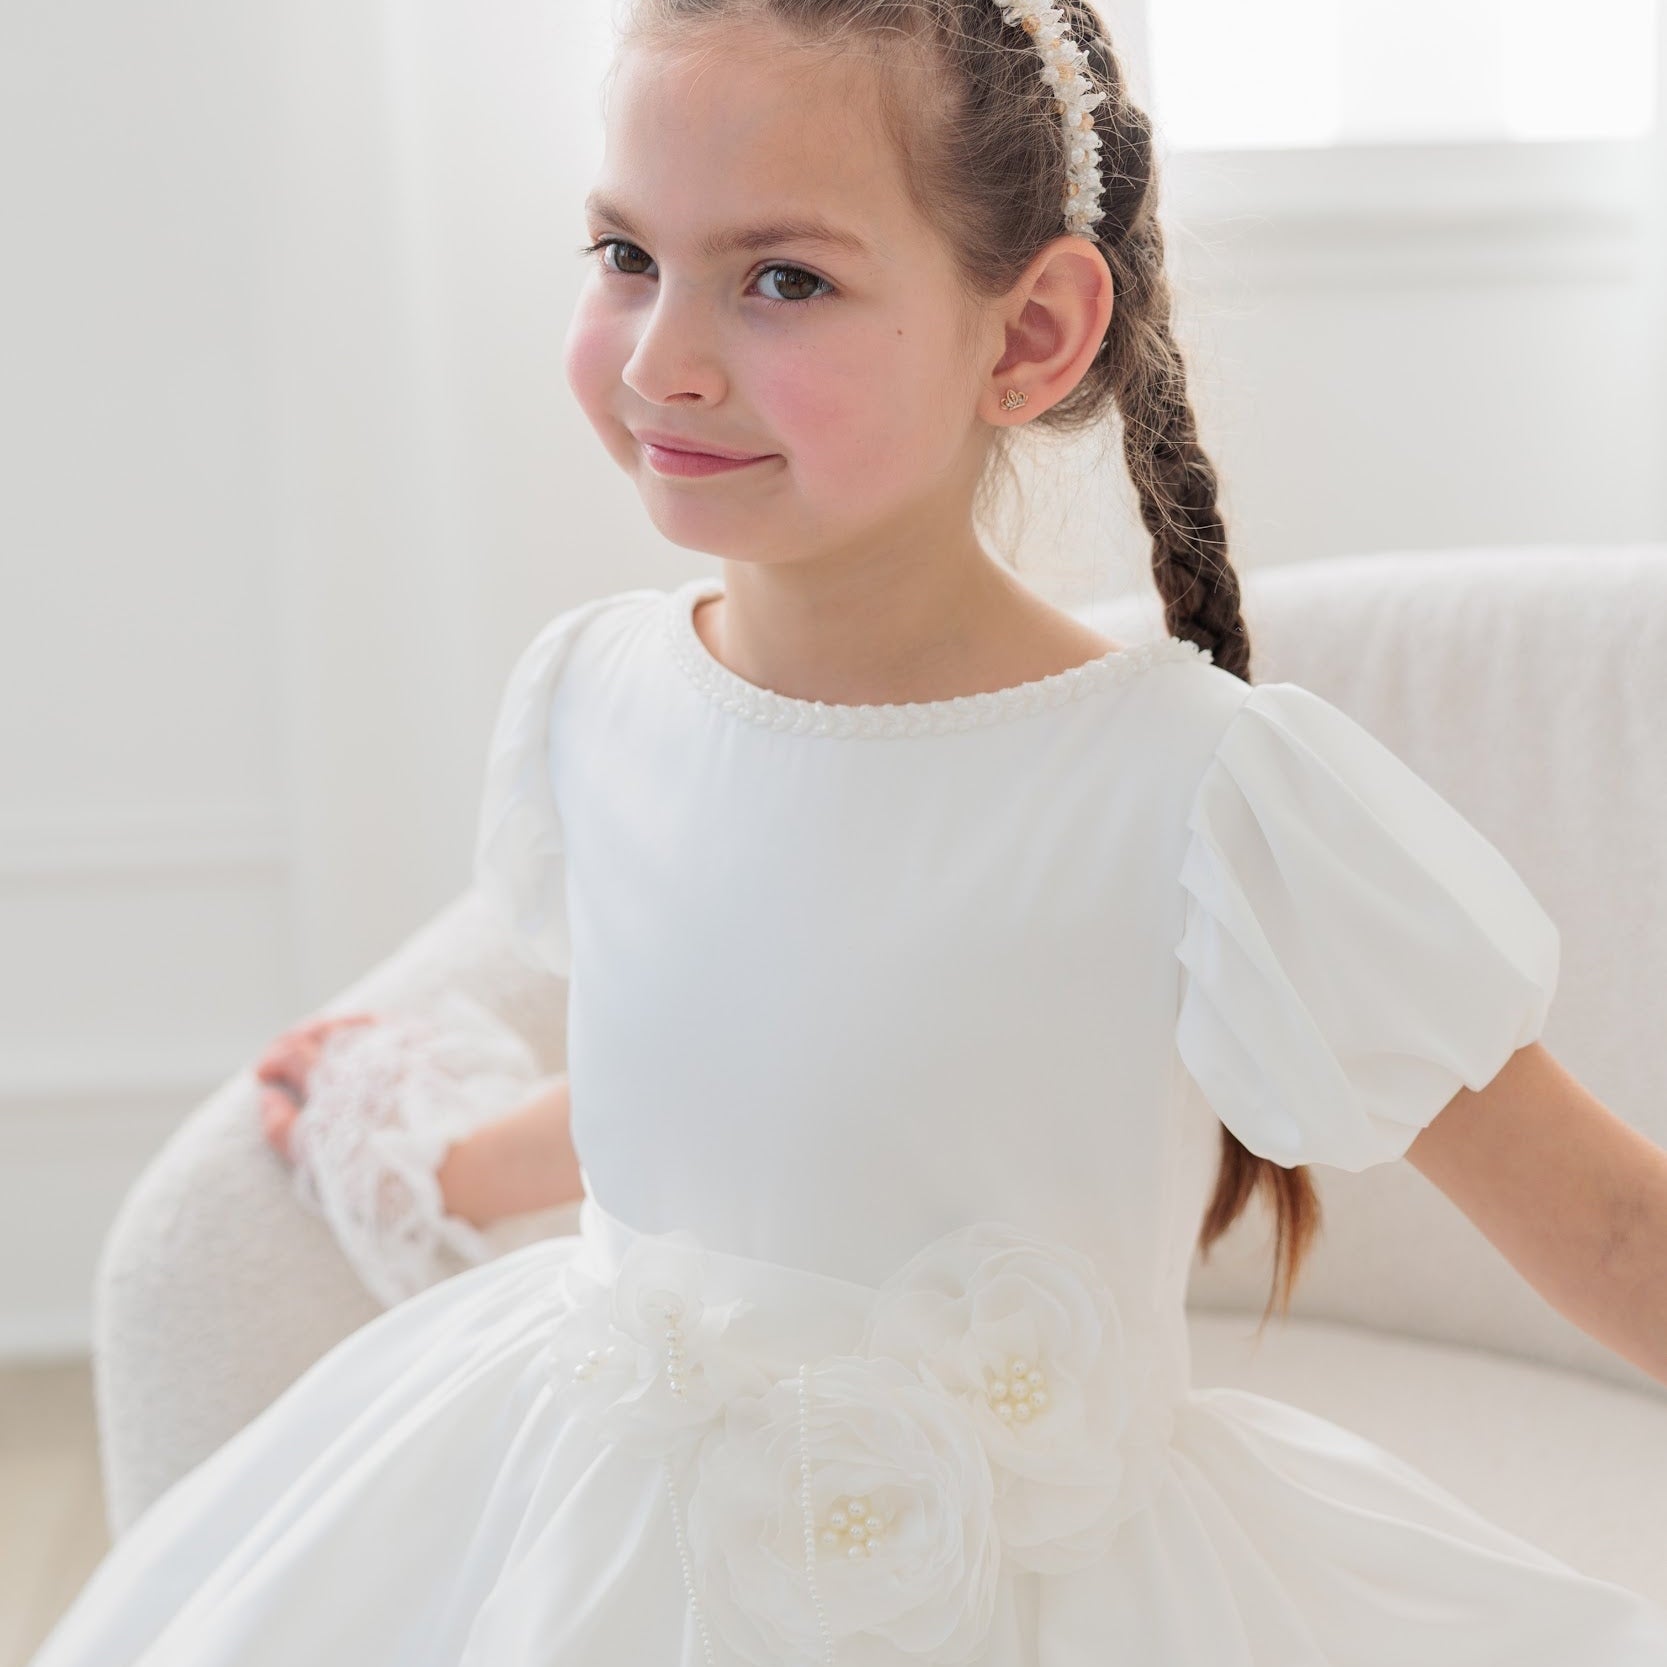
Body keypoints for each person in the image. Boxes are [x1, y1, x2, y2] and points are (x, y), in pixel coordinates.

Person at [29, 1, 1667, 1662]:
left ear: (1030, 334)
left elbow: (1611, 1223)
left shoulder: (1193, 786)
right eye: (626, 255)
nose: (662, 359)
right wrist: (434, 1154)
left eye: (783, 280)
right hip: (597, 1541)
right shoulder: (597, 695)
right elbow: (711, 1076)